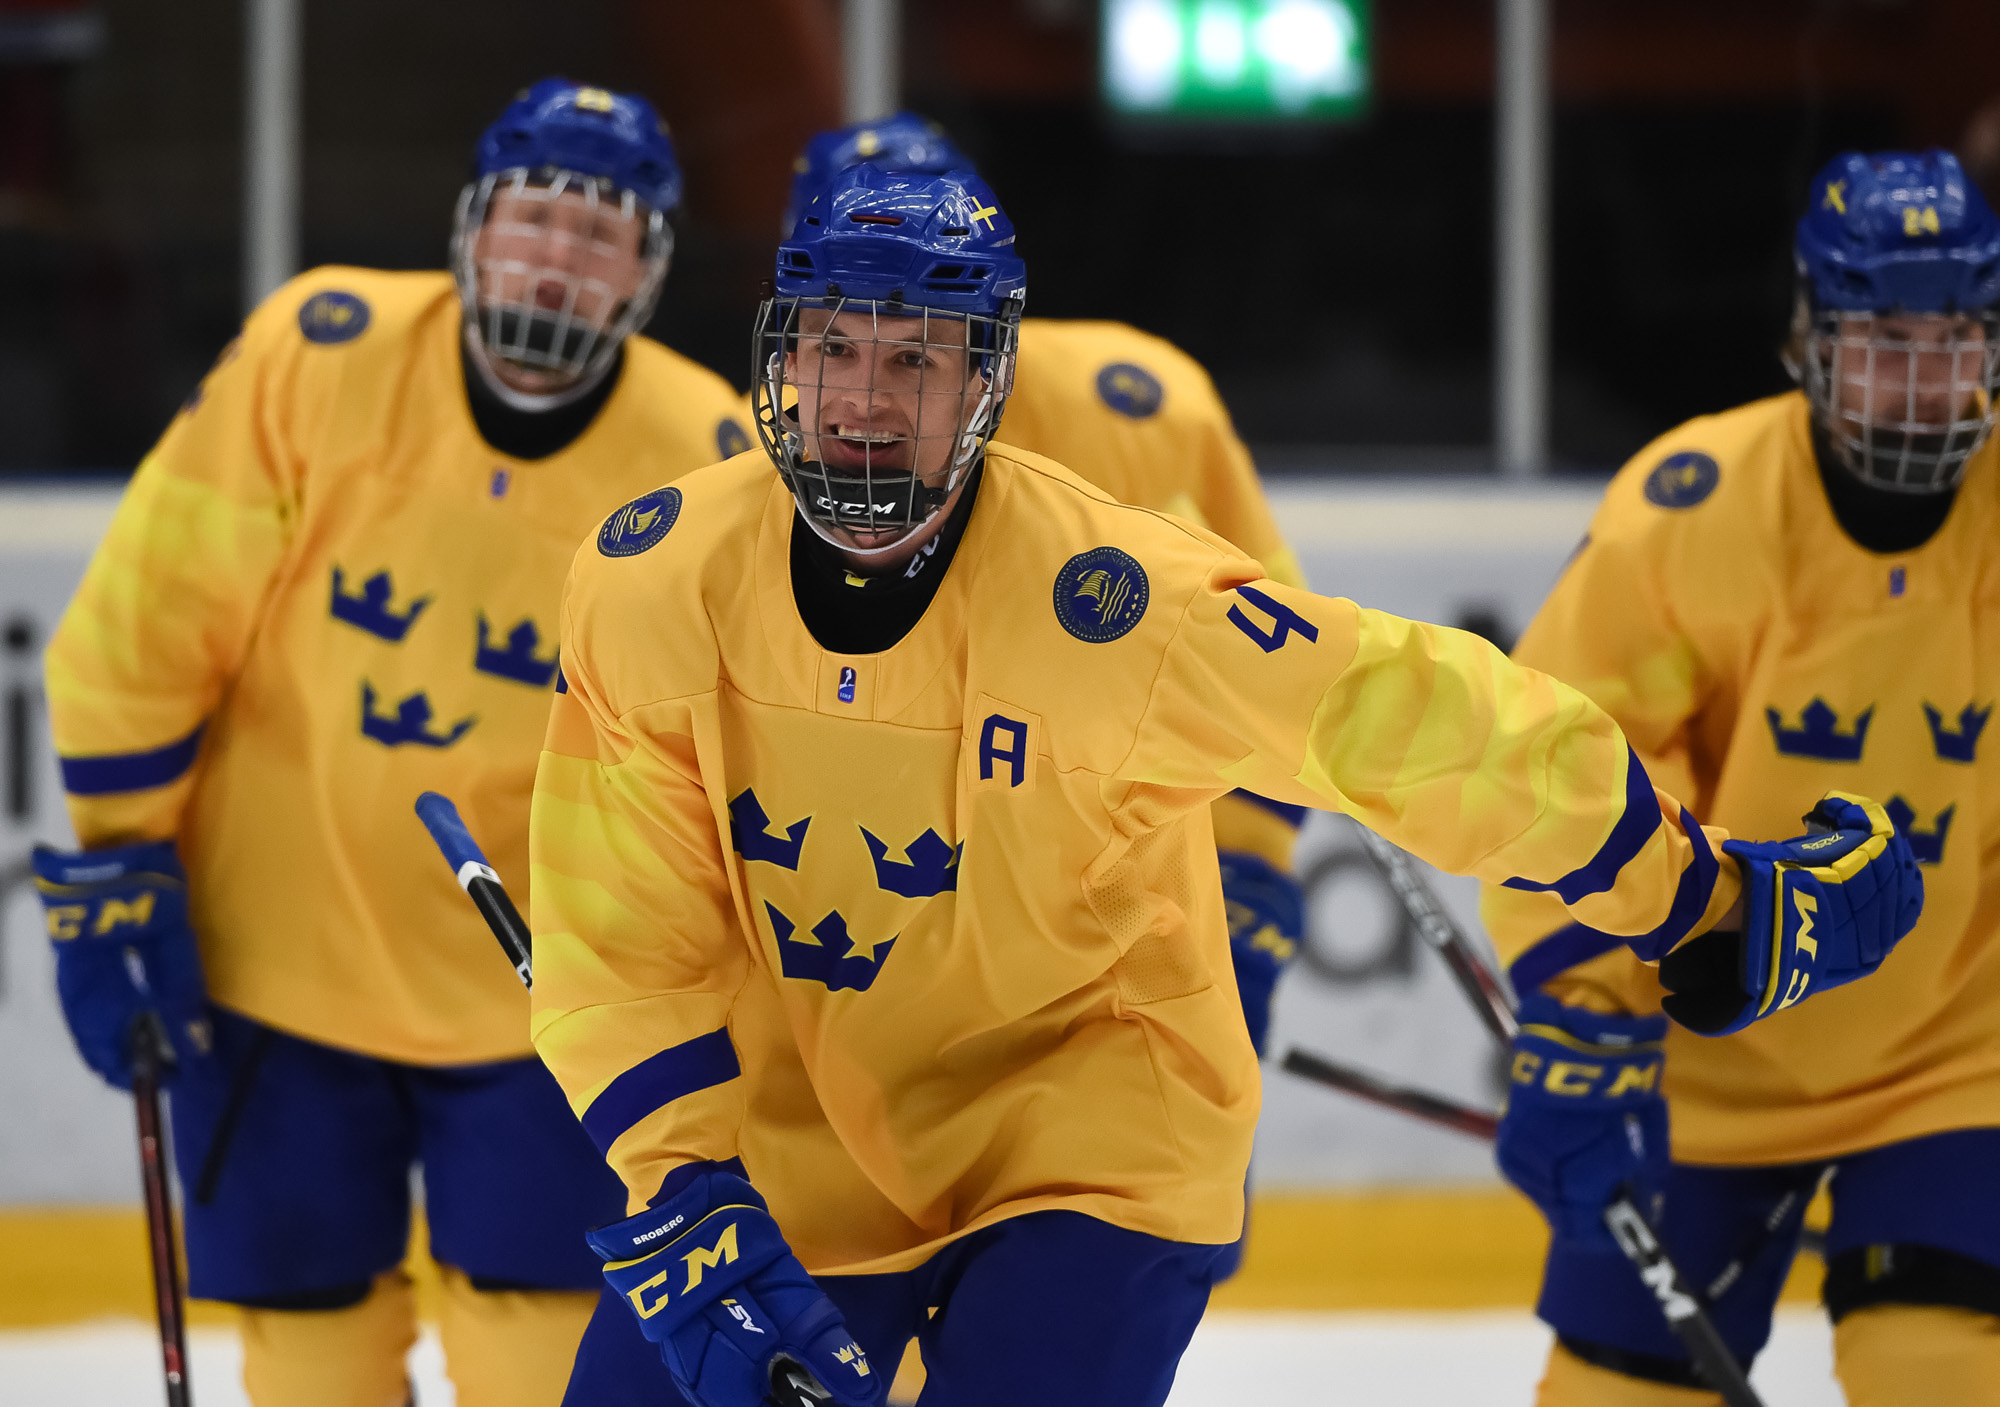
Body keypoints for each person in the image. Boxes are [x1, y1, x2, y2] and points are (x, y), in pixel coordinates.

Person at [536, 164, 1919, 1407]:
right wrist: (685, 1184)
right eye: (835, 345)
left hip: (1090, 1129)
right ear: (781, 357)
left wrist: (1695, 893)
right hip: (801, 1135)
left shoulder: (1118, 602)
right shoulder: (653, 581)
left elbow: (1430, 718)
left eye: (917, 357)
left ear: (987, 384)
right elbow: (620, 933)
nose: (864, 396)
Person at [33, 80, 748, 1407]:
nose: (556, 260)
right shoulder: (322, 351)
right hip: (280, 951)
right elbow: (146, 622)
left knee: (544, 1345)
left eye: (601, 237)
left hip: (545, 998)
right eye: (534, 221)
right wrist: (125, 863)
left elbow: (727, 751)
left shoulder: (711, 456)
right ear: (472, 229)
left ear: (647, 270)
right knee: (305, 1345)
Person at [1481, 149, 2000, 1407]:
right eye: (1883, 345)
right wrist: (1583, 1018)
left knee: (1937, 1375)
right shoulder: (1691, 512)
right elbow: (1574, 765)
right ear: (1808, 340)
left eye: (1950, 346)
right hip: (1696, 1067)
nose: (1919, 390)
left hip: (1956, 1057)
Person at [781, 113, 1309, 1070]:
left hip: (1118, 936)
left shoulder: (1140, 401)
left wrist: (1247, 864)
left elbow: (1261, 671)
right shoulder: (738, 470)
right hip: (847, 970)